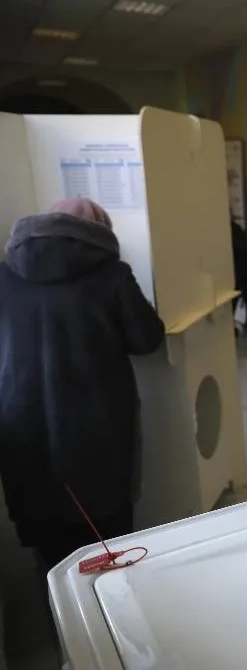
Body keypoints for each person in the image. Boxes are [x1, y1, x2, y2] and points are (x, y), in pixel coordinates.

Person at [0, 198, 165, 569]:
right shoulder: (112, 274)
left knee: (51, 557)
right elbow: (147, 339)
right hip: (96, 431)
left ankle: (57, 604)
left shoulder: (5, 274)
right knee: (107, 545)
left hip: (22, 429)